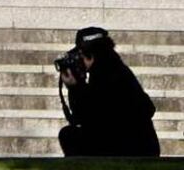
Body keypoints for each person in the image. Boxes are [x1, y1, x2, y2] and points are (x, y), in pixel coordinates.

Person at [58, 27, 160, 157]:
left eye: (81, 56)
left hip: (125, 147)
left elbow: (86, 119)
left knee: (69, 135)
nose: (80, 61)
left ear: (90, 56)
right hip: (144, 146)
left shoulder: (104, 75)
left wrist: (75, 88)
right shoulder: (117, 69)